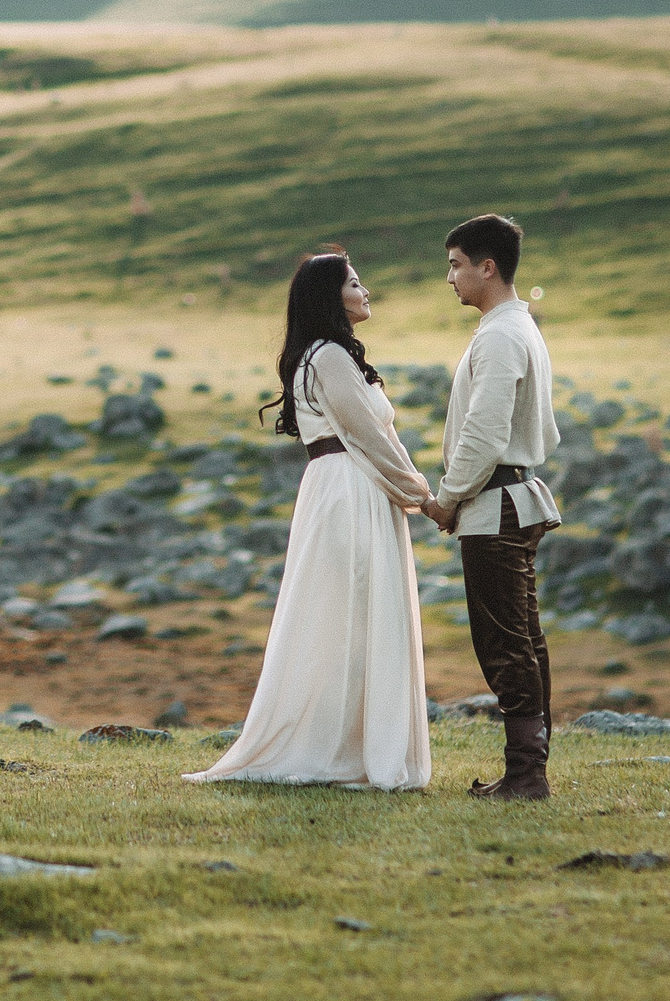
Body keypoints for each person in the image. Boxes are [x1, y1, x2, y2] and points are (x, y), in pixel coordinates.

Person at [185, 247, 435, 791]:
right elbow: (367, 435)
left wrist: (413, 491)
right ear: (330, 296)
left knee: (351, 613)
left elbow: (378, 434)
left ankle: (352, 743)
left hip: (347, 486)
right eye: (354, 283)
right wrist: (424, 496)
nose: (364, 291)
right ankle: (340, 748)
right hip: (350, 487)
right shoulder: (327, 357)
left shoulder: (325, 355)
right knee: (351, 611)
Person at [426, 213, 564, 801]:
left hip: (495, 506)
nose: (450, 277)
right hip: (511, 498)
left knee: (504, 642)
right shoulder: (515, 327)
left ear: (488, 267)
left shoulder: (501, 335)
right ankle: (526, 769)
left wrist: (448, 498)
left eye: (457, 265)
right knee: (523, 637)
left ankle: (527, 774)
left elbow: (485, 433)